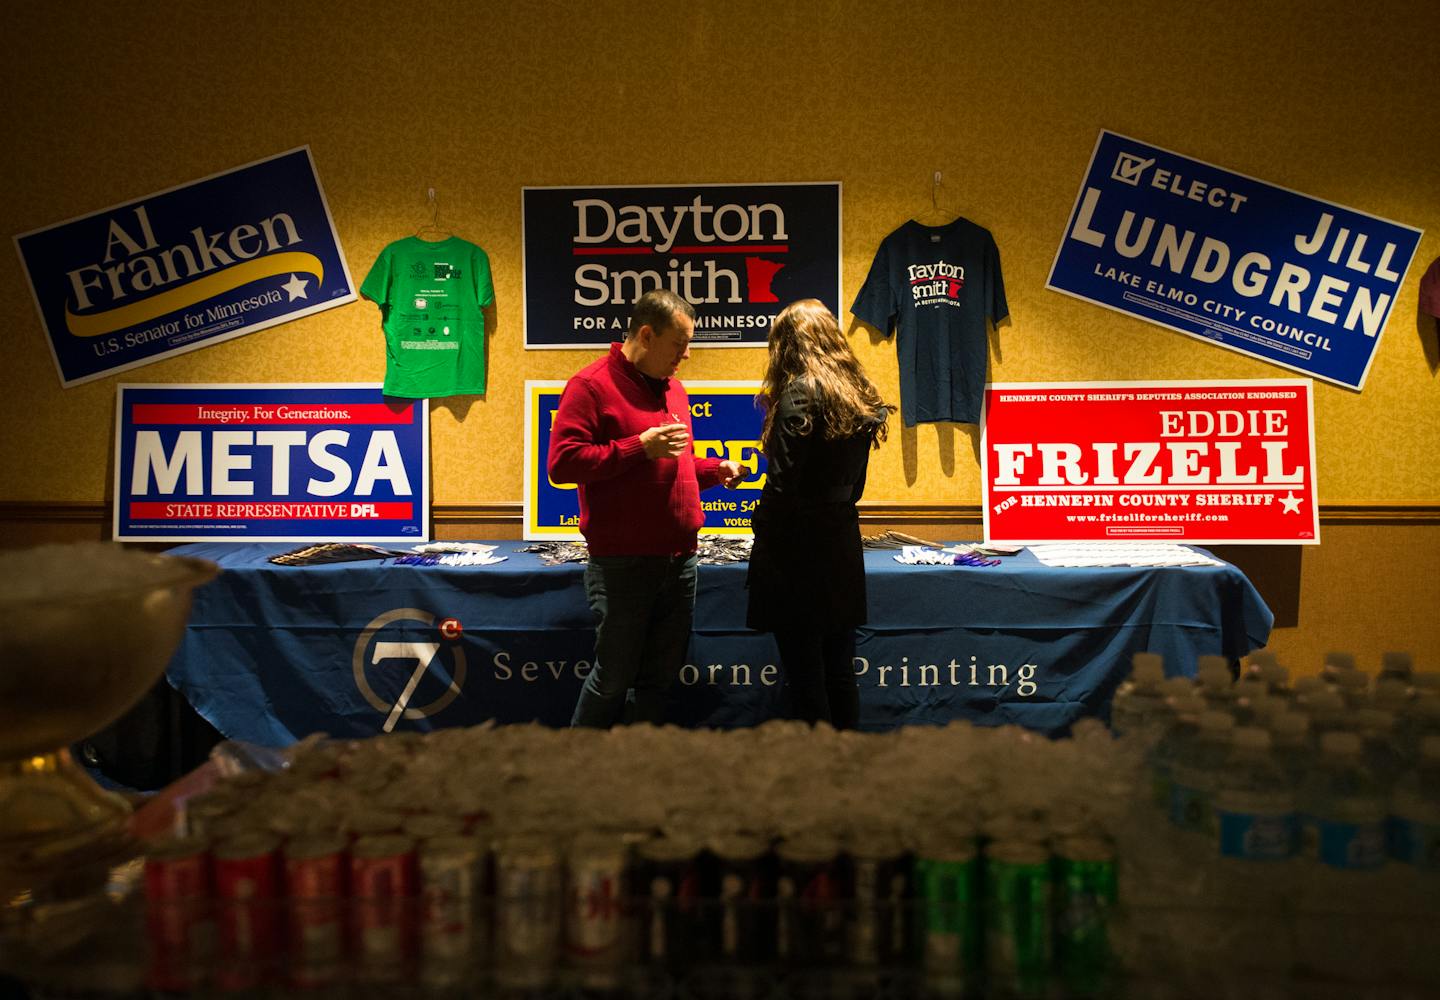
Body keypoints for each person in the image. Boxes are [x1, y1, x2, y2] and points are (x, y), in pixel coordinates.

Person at [548, 289, 743, 727]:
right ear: (648, 335)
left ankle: (641, 770)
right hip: (622, 564)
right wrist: (638, 447)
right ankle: (574, 775)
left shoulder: (675, 390)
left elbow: (673, 463)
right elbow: (562, 464)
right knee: (613, 678)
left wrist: (715, 471)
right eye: (680, 343)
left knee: (659, 679)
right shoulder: (590, 386)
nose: (686, 355)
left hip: (680, 559)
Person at [746, 299, 894, 729]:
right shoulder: (858, 394)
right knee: (840, 671)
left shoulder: (799, 394)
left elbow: (782, 485)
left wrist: (762, 528)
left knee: (806, 677)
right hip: (841, 543)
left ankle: (820, 780)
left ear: (788, 346)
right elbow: (857, 486)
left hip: (797, 551)